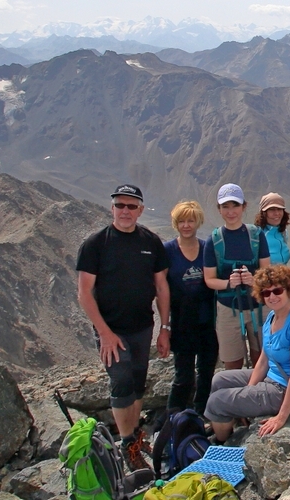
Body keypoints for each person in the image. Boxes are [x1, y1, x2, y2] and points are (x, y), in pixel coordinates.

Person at [76, 184, 170, 470]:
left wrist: (165, 327)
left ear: (140, 210)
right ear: (112, 207)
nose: (125, 211)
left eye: (131, 206)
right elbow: (84, 293)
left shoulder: (151, 242)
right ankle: (128, 443)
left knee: (139, 382)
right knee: (121, 383)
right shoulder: (95, 244)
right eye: (120, 205)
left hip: (142, 327)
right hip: (111, 331)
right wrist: (104, 333)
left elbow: (161, 286)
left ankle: (134, 436)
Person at [204, 265, 290, 443]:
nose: (272, 296)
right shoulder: (272, 317)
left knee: (216, 402)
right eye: (266, 293)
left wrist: (280, 418)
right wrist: (248, 392)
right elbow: (264, 360)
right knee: (218, 380)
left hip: (288, 389)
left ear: (289, 290)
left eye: (277, 290)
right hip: (271, 378)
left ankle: (223, 442)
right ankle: (227, 423)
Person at [203, 184, 271, 370]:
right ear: (219, 209)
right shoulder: (213, 241)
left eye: (235, 206)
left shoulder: (257, 236)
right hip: (228, 309)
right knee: (232, 363)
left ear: (244, 207)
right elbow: (209, 279)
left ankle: (260, 396)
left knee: (263, 359)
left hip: (258, 306)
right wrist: (228, 283)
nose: (231, 211)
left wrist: (254, 280)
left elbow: (266, 271)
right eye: (226, 206)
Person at [163, 200, 220, 418]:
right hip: (181, 322)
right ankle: (172, 420)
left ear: (198, 222)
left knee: (206, 373)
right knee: (183, 376)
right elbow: (161, 288)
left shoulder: (207, 248)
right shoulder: (167, 250)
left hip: (208, 321)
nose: (186, 225)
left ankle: (202, 416)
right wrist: (166, 326)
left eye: (191, 220)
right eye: (182, 221)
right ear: (176, 224)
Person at [255, 192, 290, 265]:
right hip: (265, 276)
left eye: (279, 209)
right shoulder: (257, 235)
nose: (276, 213)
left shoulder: (283, 233)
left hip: (283, 275)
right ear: (264, 213)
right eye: (272, 209)